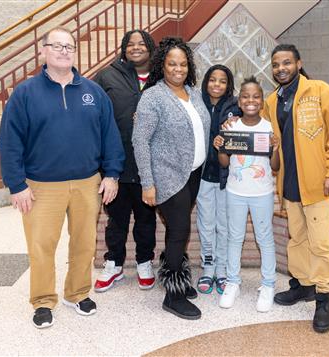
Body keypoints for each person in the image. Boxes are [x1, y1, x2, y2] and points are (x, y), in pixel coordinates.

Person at [0, 27, 125, 329]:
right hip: (41, 186)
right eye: (57, 45)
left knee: (84, 243)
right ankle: (42, 300)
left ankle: (77, 292)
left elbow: (110, 136)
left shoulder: (93, 92)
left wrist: (112, 174)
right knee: (42, 245)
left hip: (87, 183)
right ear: (42, 51)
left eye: (69, 46)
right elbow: (10, 142)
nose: (64, 51)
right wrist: (17, 185)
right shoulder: (25, 94)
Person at [265, 44, 329, 332]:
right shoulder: (272, 101)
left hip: (317, 185)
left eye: (287, 63)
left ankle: (323, 297)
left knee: (320, 243)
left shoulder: (320, 92)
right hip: (289, 184)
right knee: (297, 239)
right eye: (276, 64)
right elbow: (263, 135)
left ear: (299, 63)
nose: (281, 68)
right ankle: (303, 285)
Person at [132, 37, 210, 320]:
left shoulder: (193, 92)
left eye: (183, 63)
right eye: (172, 64)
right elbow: (140, 141)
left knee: (178, 231)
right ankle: (173, 295)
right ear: (161, 66)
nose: (178, 68)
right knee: (179, 231)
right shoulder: (153, 95)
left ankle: (177, 275)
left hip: (192, 174)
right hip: (166, 176)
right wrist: (148, 183)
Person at [93, 30, 157, 292]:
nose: (136, 48)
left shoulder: (161, 76)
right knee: (116, 221)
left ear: (150, 48)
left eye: (141, 44)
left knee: (146, 220)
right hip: (115, 166)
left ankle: (144, 262)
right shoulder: (108, 75)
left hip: (149, 168)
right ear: (123, 49)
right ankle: (114, 265)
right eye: (130, 44)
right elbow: (92, 114)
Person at [213, 77, 280, 312]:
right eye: (245, 96)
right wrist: (221, 145)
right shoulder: (230, 126)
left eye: (255, 96)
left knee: (265, 238)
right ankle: (233, 282)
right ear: (239, 101)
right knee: (234, 237)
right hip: (235, 192)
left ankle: (269, 284)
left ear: (261, 101)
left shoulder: (269, 127)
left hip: (262, 193)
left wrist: (275, 147)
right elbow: (223, 163)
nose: (250, 100)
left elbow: (275, 166)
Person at [196, 65, 240, 295]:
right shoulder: (196, 102)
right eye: (212, 80)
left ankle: (221, 270)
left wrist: (234, 126)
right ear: (206, 82)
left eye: (222, 81)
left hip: (226, 177)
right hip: (203, 175)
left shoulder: (235, 108)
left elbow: (243, 138)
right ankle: (208, 266)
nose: (217, 85)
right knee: (206, 223)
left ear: (228, 85)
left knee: (223, 224)